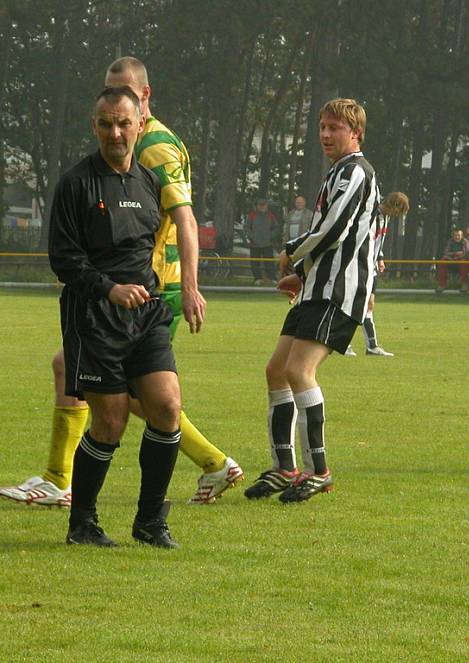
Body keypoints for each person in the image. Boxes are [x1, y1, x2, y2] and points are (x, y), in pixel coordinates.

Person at [0, 57, 243, 509]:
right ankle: (62, 478)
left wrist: (190, 285)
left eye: (126, 93)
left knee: (130, 391)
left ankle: (209, 462)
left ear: (144, 97)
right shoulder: (129, 143)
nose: (117, 117)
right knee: (88, 375)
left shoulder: (154, 146)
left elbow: (186, 219)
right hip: (122, 287)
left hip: (148, 289)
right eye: (109, 92)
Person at [48, 87, 186, 547]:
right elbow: (64, 260)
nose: (115, 132)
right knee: (109, 422)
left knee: (167, 407)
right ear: (95, 126)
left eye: (124, 123)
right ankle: (82, 523)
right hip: (94, 317)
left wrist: (165, 289)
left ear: (139, 126)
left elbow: (148, 247)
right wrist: (110, 289)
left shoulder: (149, 183)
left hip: (144, 315)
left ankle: (150, 522)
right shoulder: (76, 183)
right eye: (106, 123)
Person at [244, 98, 380, 503]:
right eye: (322, 126)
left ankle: (318, 471)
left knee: (300, 372)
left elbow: (335, 229)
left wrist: (292, 249)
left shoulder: (356, 171)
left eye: (334, 127)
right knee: (276, 370)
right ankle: (285, 468)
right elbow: (332, 234)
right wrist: (300, 275)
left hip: (338, 291)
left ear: (355, 133)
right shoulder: (338, 172)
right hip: (316, 288)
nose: (325, 134)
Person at [345, 191, 410, 357]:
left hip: (371, 267)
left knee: (369, 304)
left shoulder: (385, 218)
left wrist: (380, 258)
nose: (399, 215)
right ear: (393, 206)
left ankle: (372, 346)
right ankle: (343, 343)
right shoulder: (369, 214)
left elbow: (377, 242)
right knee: (353, 304)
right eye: (400, 210)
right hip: (357, 266)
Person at [246, 197, 278, 285]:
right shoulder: (251, 215)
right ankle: (257, 278)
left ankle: (272, 278)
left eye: (264, 205)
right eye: (260, 205)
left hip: (267, 243)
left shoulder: (270, 215)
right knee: (255, 262)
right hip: (255, 244)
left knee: (269, 262)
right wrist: (252, 237)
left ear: (267, 206)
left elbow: (276, 227)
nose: (262, 207)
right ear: (257, 206)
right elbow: (247, 227)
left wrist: (271, 236)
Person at [435, 228, 469, 293]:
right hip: (452, 261)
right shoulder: (450, 241)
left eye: (459, 235)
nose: (457, 237)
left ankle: (464, 285)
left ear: (462, 236)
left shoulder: (465, 242)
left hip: (465, 262)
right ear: (453, 236)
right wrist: (455, 254)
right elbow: (446, 252)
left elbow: (465, 253)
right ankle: (441, 285)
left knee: (463, 262)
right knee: (442, 261)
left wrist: (453, 255)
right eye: (455, 235)